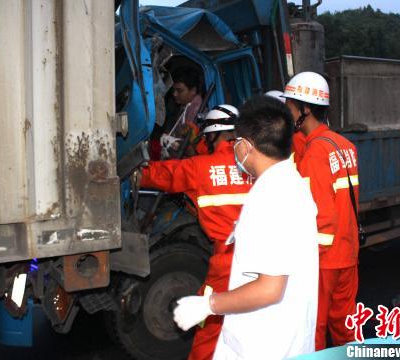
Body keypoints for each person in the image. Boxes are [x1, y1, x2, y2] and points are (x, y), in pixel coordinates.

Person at [173, 96, 319, 359]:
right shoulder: (294, 182)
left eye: (236, 141)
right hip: (290, 337)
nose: (234, 148)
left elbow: (269, 289)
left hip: (263, 345)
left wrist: (208, 305)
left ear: (247, 147)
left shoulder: (267, 197)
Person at [140, 104, 253, 360]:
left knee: (209, 325)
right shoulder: (256, 163)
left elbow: (165, 175)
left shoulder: (200, 168)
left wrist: (136, 172)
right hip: (261, 259)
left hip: (227, 262)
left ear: (212, 135)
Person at [282, 71, 360, 350]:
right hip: (348, 252)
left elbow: (321, 216)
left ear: (304, 109)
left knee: (313, 326)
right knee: (345, 325)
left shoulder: (314, 153)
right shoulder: (345, 146)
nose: (287, 113)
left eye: (290, 106)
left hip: (323, 260)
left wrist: (307, 261)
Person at [161, 68, 205, 158]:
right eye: (174, 90)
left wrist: (175, 144)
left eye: (179, 90)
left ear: (193, 90)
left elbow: (193, 151)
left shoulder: (198, 112)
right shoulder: (185, 106)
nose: (175, 94)